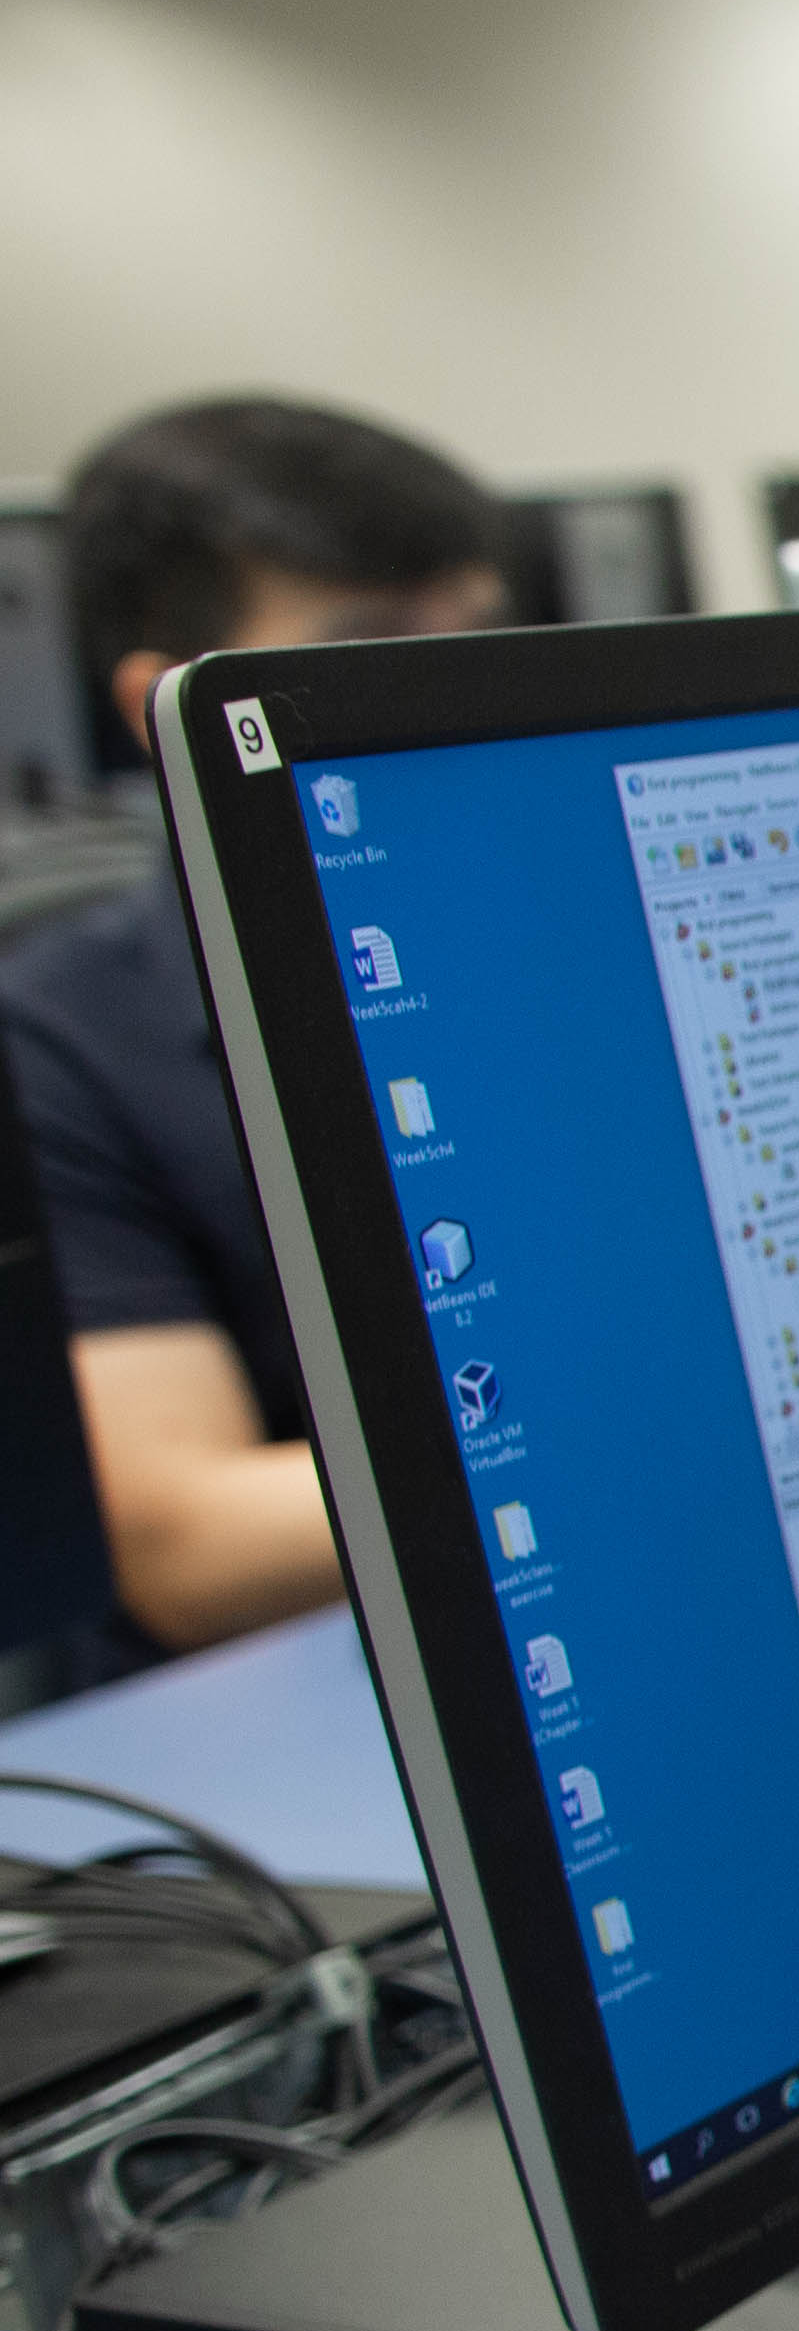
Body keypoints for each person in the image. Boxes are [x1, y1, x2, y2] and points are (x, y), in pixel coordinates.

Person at [0, 398, 508, 1655]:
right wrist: (622, 1432)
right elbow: (183, 1539)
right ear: (156, 708)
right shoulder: (58, 1043)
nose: (442, 702)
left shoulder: (537, 944)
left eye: (475, 643)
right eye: (368, 650)